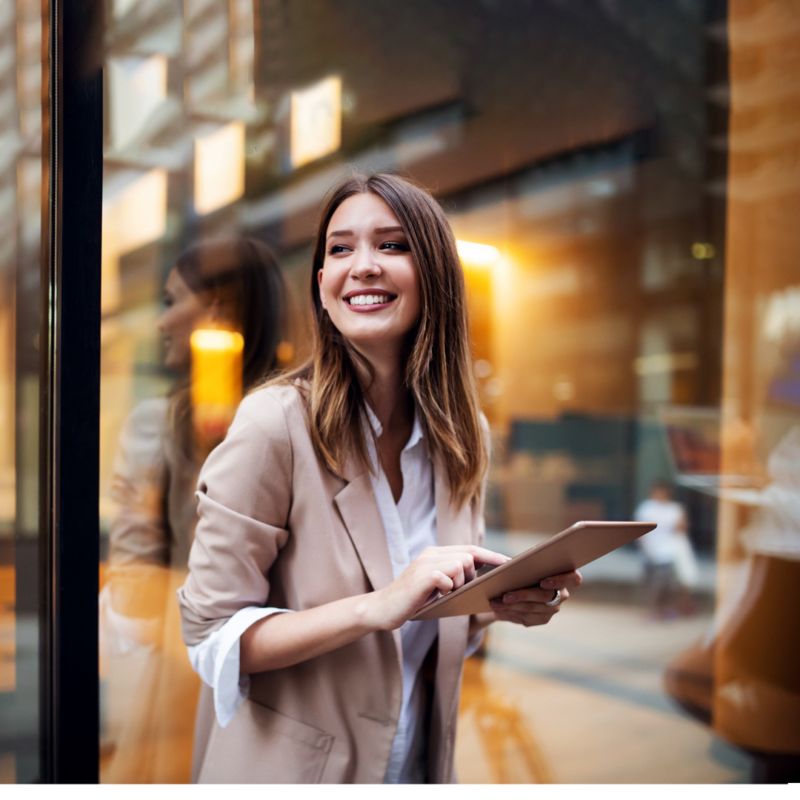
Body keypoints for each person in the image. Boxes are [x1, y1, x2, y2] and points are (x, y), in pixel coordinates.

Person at [177, 173, 582, 784]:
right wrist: (377, 607)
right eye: (340, 249)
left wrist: (495, 606)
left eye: (391, 245)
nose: (362, 265)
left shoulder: (461, 433)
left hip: (414, 765)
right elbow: (210, 638)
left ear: (436, 277)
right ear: (322, 284)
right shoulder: (275, 425)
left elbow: (426, 623)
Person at [101, 237, 288, 783]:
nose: (162, 322)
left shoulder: (157, 425)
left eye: (170, 300)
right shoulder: (308, 420)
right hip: (300, 675)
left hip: (195, 677)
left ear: (218, 308)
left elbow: (136, 590)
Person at [634, 479, 692, 619]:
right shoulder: (646, 508)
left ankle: (667, 610)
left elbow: (682, 529)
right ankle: (653, 610)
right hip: (651, 553)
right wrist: (644, 548)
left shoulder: (674, 509)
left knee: (668, 586)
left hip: (669, 553)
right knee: (652, 586)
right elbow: (638, 531)